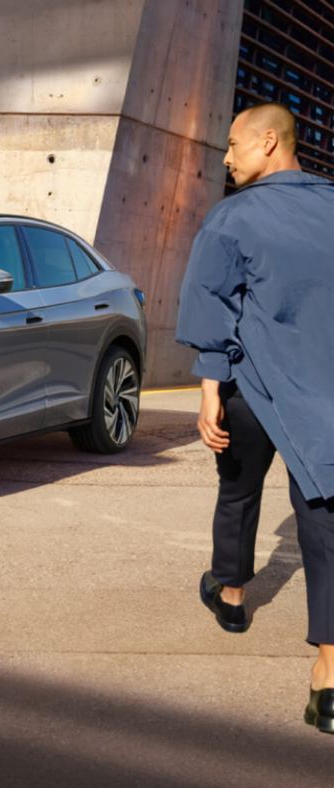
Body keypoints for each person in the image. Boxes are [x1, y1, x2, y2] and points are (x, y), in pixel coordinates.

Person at [175, 101, 334, 734]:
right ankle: (329, 679)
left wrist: (210, 388)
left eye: (234, 144)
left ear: (269, 142)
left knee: (238, 491)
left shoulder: (232, 217)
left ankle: (233, 597)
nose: (226, 157)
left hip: (251, 387)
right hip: (325, 397)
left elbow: (211, 301)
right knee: (324, 522)